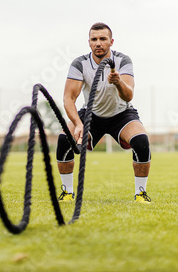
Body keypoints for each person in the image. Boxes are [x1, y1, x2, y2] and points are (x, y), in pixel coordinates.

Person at [56, 22, 152, 203]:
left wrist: (118, 82)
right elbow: (69, 98)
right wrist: (78, 124)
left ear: (111, 41)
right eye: (94, 39)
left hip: (121, 114)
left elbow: (128, 95)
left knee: (141, 141)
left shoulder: (123, 60)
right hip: (91, 115)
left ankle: (140, 193)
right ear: (89, 42)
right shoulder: (79, 64)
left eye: (102, 39)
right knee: (64, 140)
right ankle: (67, 193)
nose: (98, 43)